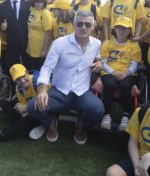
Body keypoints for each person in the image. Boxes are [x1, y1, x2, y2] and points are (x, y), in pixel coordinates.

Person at [27, 10, 104, 145]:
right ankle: (50, 124)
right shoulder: (60, 43)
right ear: (74, 25)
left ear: (93, 26)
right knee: (32, 107)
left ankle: (81, 126)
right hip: (59, 91)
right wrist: (42, 90)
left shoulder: (97, 43)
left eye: (87, 24)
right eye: (80, 24)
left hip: (82, 92)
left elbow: (100, 56)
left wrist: (99, 61)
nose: (83, 27)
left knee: (98, 110)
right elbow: (46, 68)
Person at [0, 64, 47, 150]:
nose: (22, 81)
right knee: (7, 106)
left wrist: (25, 108)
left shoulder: (38, 81)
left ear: (27, 73)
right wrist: (23, 109)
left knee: (27, 119)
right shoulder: (18, 88)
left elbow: (47, 101)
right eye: (18, 79)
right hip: (33, 110)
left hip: (46, 110)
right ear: (14, 81)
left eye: (23, 76)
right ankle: (31, 126)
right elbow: (24, 107)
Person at [100, 17, 141, 131]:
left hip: (126, 72)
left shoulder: (133, 45)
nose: (122, 31)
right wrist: (113, 73)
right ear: (114, 29)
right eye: (119, 28)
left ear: (130, 31)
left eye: (125, 28)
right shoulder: (107, 44)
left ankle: (126, 115)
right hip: (108, 71)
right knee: (109, 84)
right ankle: (106, 114)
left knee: (125, 85)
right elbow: (103, 63)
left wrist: (126, 73)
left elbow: (134, 64)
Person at [0, 0, 30, 75]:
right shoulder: (3, 6)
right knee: (12, 70)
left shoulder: (28, 2)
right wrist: (2, 27)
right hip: (11, 44)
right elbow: (0, 22)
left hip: (27, 43)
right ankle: (12, 89)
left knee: (28, 69)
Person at [25, 0, 52, 71]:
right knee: (31, 72)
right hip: (31, 49)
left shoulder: (45, 13)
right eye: (36, 2)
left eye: (40, 2)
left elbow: (48, 32)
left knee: (38, 73)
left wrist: (44, 50)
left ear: (44, 2)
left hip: (40, 50)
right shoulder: (32, 10)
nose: (38, 4)